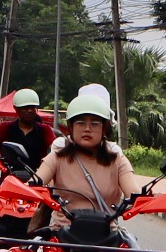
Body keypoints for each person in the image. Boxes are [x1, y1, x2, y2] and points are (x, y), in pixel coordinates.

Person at [35, 87, 140, 219]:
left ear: (104, 128)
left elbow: (135, 195)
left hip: (108, 234)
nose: (87, 129)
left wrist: (152, 199)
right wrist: (20, 188)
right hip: (62, 233)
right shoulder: (57, 156)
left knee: (131, 240)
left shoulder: (117, 160)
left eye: (95, 124)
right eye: (80, 123)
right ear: (71, 126)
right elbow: (34, 184)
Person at [0, 88, 53, 169]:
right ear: (16, 109)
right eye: (25, 108)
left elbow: (55, 148)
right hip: (10, 176)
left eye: (32, 107)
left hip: (36, 177)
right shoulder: (5, 127)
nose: (29, 110)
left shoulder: (45, 129)